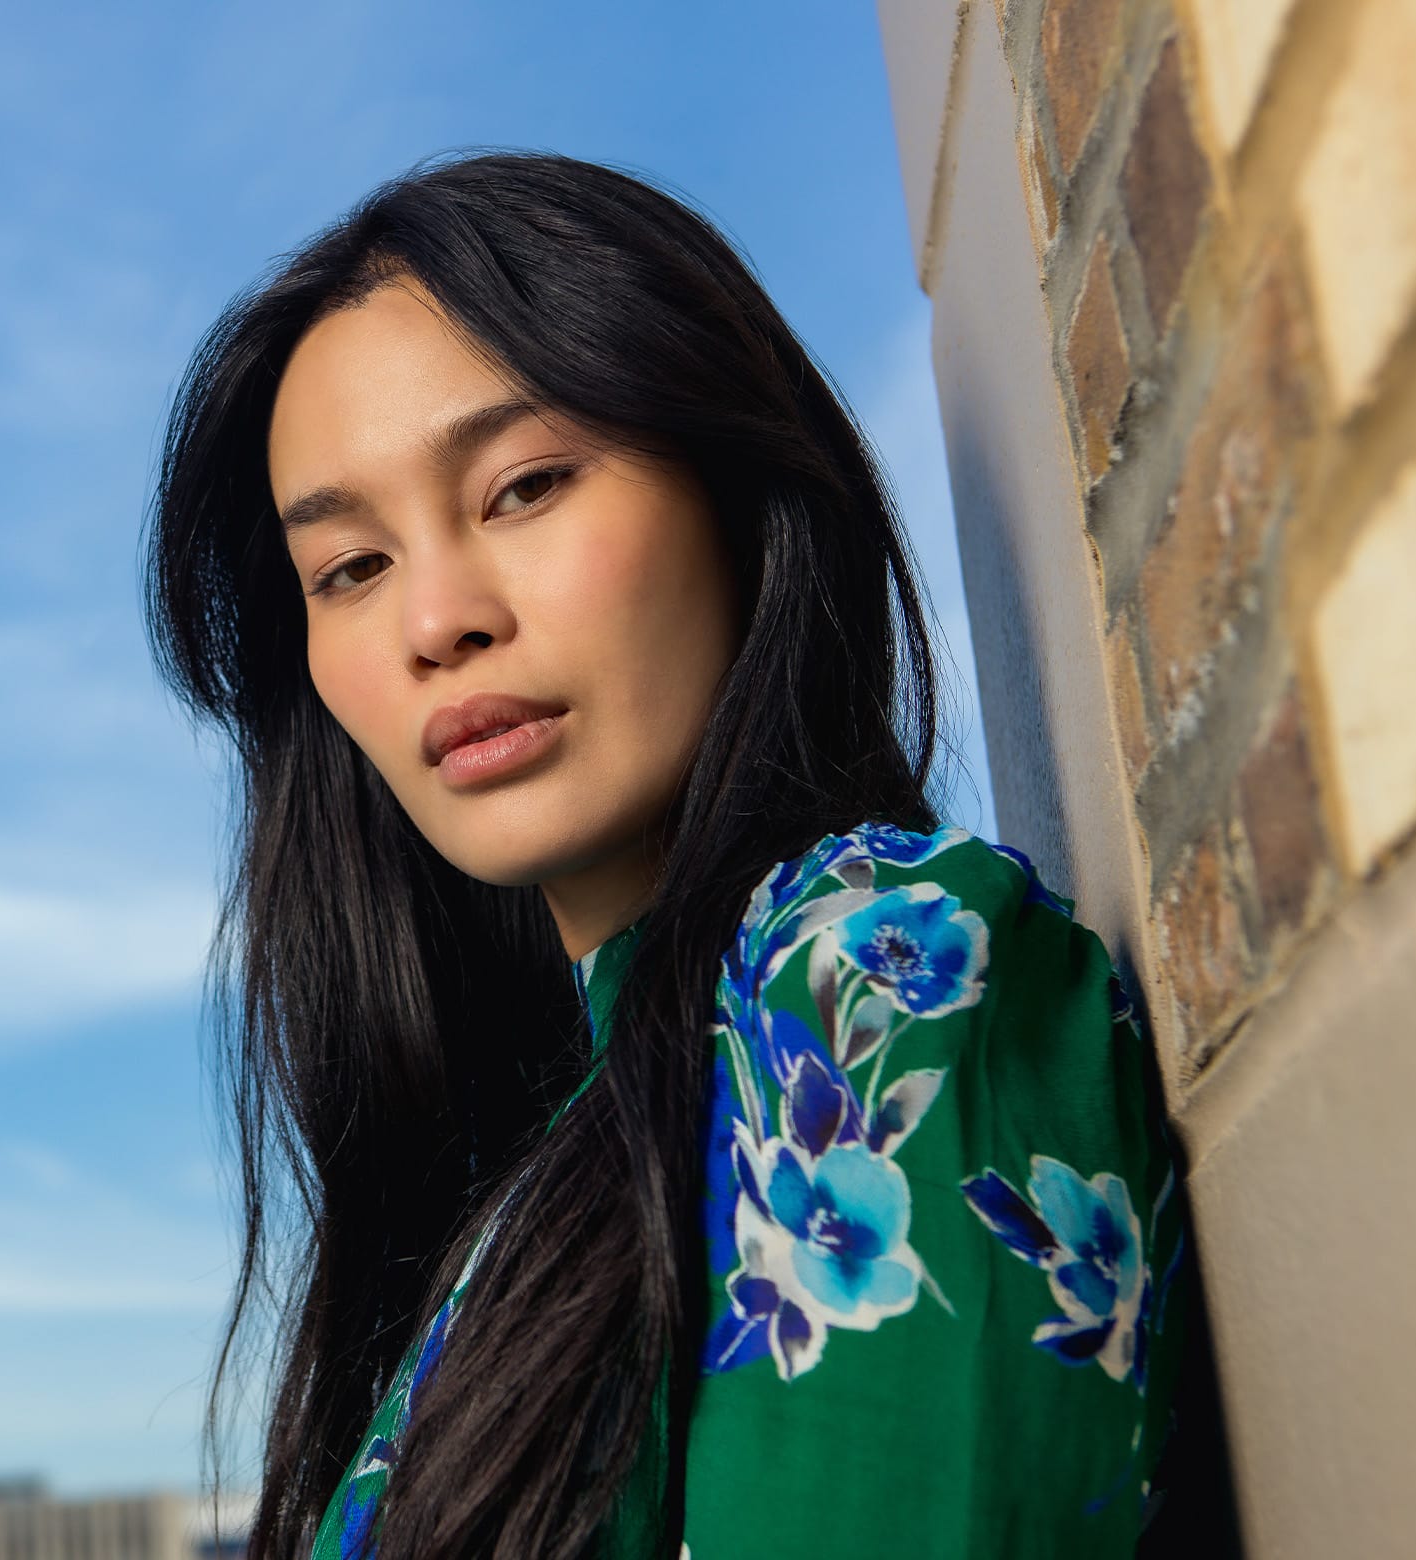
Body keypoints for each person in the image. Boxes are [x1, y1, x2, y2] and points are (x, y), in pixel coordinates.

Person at [144, 149, 1205, 1559]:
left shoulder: (877, 974)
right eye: (350, 567)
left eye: (522, 486)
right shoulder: (534, 1177)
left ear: (736, 487)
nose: (435, 621)